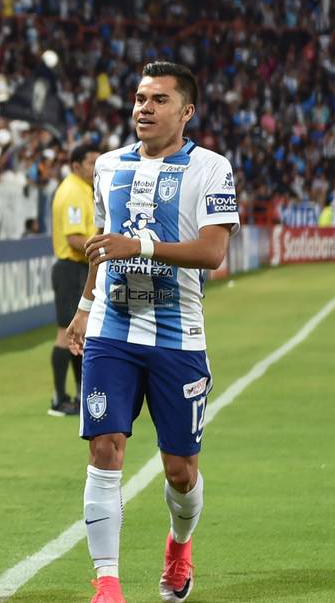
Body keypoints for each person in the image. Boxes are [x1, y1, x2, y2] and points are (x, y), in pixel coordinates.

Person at [67, 62, 240, 603]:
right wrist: (83, 304)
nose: (144, 107)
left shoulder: (211, 168)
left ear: (186, 112)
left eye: (159, 100)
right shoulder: (107, 166)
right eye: (140, 98)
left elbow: (213, 252)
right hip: (111, 331)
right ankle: (108, 584)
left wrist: (138, 246)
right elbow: (101, 242)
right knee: (105, 447)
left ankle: (178, 547)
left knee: (180, 470)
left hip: (177, 338)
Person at [48, 143, 100, 416]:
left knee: (81, 334)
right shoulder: (72, 192)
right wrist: (105, 245)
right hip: (71, 268)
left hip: (79, 268)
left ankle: (79, 396)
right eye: (92, 162)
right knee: (66, 333)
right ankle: (59, 399)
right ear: (76, 165)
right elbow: (74, 238)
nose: (96, 168)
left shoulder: (83, 190)